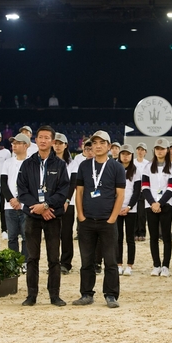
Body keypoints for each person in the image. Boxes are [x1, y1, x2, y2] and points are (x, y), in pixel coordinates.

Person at [72, 130, 125, 308]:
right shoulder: (84, 166)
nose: (98, 146)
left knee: (110, 260)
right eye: (94, 143)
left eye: (102, 143)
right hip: (87, 221)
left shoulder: (117, 167)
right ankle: (86, 293)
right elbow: (79, 192)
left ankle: (111, 295)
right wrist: (80, 216)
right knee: (87, 260)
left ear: (109, 146)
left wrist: (112, 218)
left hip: (107, 221)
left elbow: (120, 195)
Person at [18, 126, 69, 307]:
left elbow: (63, 191)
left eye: (47, 138)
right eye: (40, 137)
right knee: (32, 257)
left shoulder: (60, 165)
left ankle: (54, 295)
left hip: (52, 216)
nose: (43, 140)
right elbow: (22, 191)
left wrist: (46, 206)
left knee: (54, 258)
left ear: (52, 142)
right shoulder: (27, 164)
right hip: (33, 215)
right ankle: (31, 295)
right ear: (36, 140)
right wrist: (38, 207)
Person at [143, 138, 172, 277]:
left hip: (166, 205)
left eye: (162, 149)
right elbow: (145, 187)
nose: (159, 151)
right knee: (153, 236)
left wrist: (160, 203)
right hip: (150, 205)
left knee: (166, 236)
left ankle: (165, 266)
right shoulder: (148, 167)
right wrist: (153, 203)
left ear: (167, 150)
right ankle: (156, 265)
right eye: (157, 149)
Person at [62, 137, 92, 274]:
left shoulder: (72, 162)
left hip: (92, 202)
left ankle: (94, 262)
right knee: (75, 233)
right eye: (87, 148)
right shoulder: (78, 161)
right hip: (78, 200)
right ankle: (66, 263)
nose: (89, 151)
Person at [1, 134, 31, 270]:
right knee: (12, 236)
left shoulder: (31, 163)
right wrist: (11, 199)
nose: (14, 146)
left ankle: (25, 262)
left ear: (26, 145)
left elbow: (32, 184)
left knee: (26, 236)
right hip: (10, 205)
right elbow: (3, 183)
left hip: (26, 205)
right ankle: (13, 262)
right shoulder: (7, 163)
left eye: (18, 143)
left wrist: (20, 199)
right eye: (13, 143)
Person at [116, 144, 141, 276]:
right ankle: (118, 264)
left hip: (131, 209)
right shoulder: (114, 169)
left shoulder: (136, 171)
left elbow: (136, 191)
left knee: (130, 238)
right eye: (123, 154)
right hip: (116, 208)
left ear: (131, 156)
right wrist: (117, 206)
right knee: (118, 238)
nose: (125, 156)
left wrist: (129, 206)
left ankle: (129, 265)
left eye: (128, 154)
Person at [134, 142, 149, 242]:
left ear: (145, 152)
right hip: (134, 190)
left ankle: (142, 232)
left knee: (142, 213)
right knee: (134, 212)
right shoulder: (133, 162)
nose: (140, 152)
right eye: (139, 149)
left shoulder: (148, 164)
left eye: (142, 150)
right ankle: (135, 232)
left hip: (144, 190)